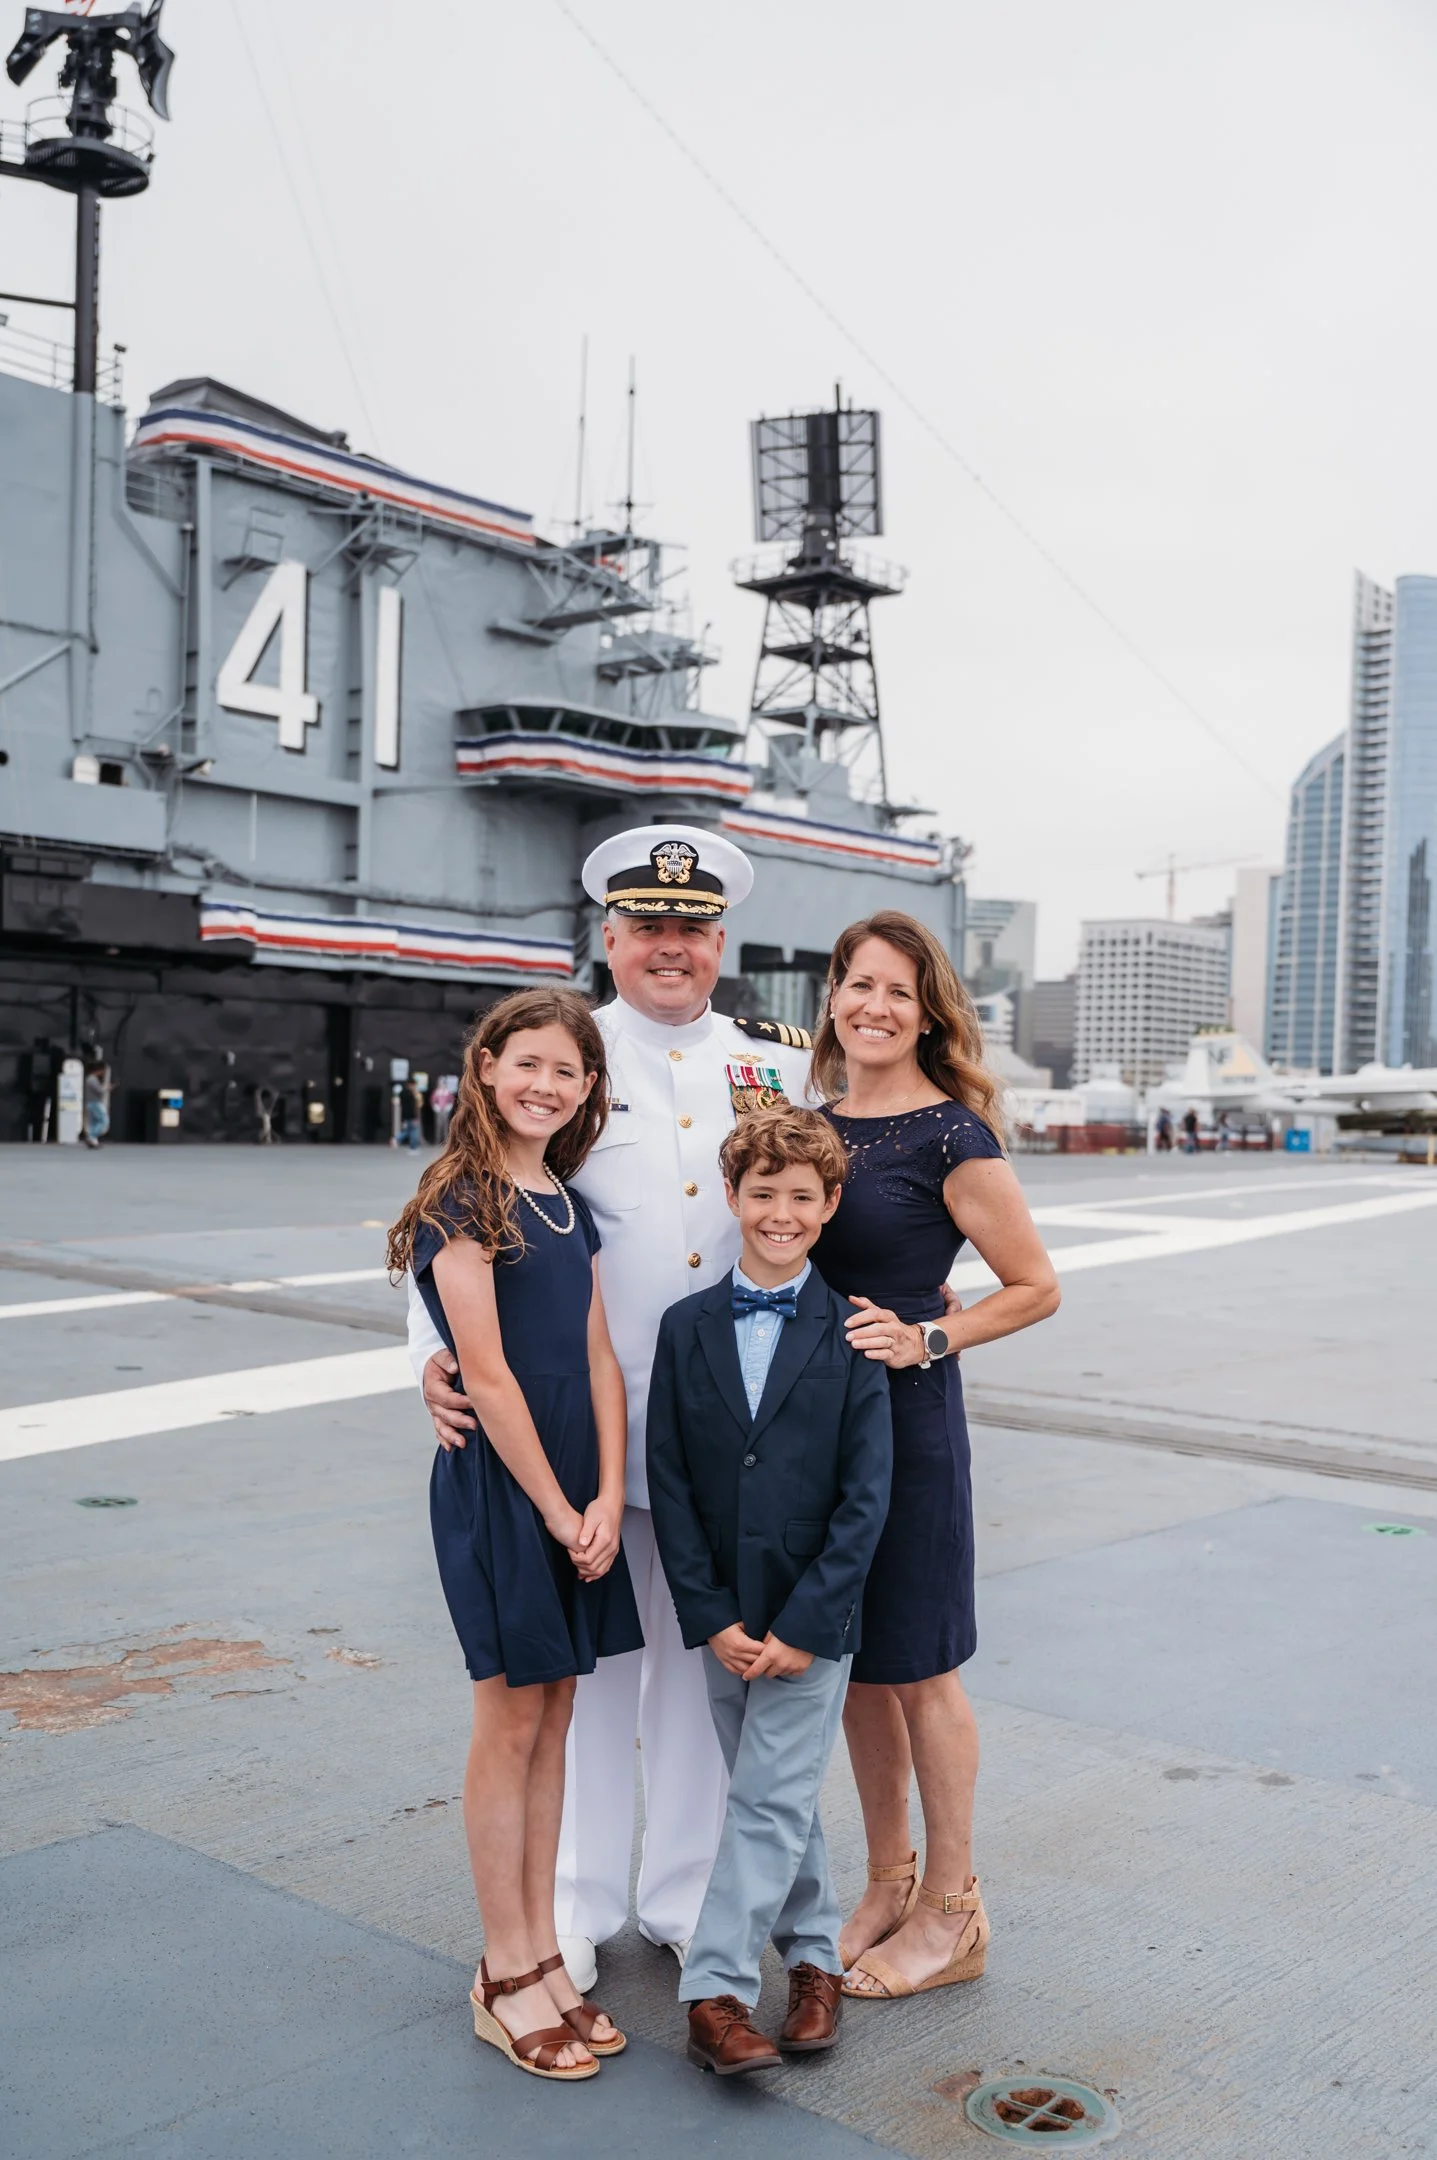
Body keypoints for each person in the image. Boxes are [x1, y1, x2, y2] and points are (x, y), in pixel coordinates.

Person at [407, 825, 811, 1993]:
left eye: (691, 931)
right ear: (610, 938)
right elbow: (456, 1220)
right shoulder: (563, 1058)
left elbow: (812, 1205)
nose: (670, 950)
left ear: (720, 943)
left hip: (731, 1429)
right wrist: (425, 1362)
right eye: (649, 930)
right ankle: (569, 1906)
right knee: (577, 1685)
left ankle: (685, 1892)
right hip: (581, 1430)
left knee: (700, 1677)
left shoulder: (778, 1064)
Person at [387, 988, 644, 2082]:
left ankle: (545, 1951)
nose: (546, 1085)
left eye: (569, 1072)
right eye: (527, 1063)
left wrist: (606, 1494)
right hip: (505, 1488)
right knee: (508, 1719)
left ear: (589, 1092)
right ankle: (502, 1972)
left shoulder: (564, 1201)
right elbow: (486, 1376)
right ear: (486, 1066)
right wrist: (552, 1505)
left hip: (577, 1485)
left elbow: (596, 1359)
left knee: (558, 1713)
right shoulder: (462, 1197)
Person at [807, 911, 1060, 2003]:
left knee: (921, 1665)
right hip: (817, 1422)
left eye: (899, 992)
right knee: (856, 1663)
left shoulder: (951, 1136)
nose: (874, 1005)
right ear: (833, 997)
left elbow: (1035, 1284)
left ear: (928, 1013)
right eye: (859, 984)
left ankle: (954, 1908)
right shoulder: (807, 1126)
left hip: (905, 1423)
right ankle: (888, 1877)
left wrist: (929, 1335)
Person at [647, 1107, 893, 2074]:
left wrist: (804, 1624)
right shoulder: (684, 1327)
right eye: (762, 1194)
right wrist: (708, 1617)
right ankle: (816, 1957)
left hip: (808, 1617)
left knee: (761, 1800)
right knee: (776, 1800)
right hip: (721, 1615)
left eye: (801, 1197)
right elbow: (668, 1480)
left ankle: (713, 1992)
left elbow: (866, 1499)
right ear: (731, 1198)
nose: (779, 1213)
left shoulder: (856, 1332)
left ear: (828, 1206)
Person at [81, 1049, 112, 1149]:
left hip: (90, 1103)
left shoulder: (89, 1079)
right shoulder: (92, 1079)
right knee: (103, 1121)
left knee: (94, 1122)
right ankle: (91, 1137)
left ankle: (94, 1141)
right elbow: (100, 1091)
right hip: (95, 1103)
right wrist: (107, 1088)